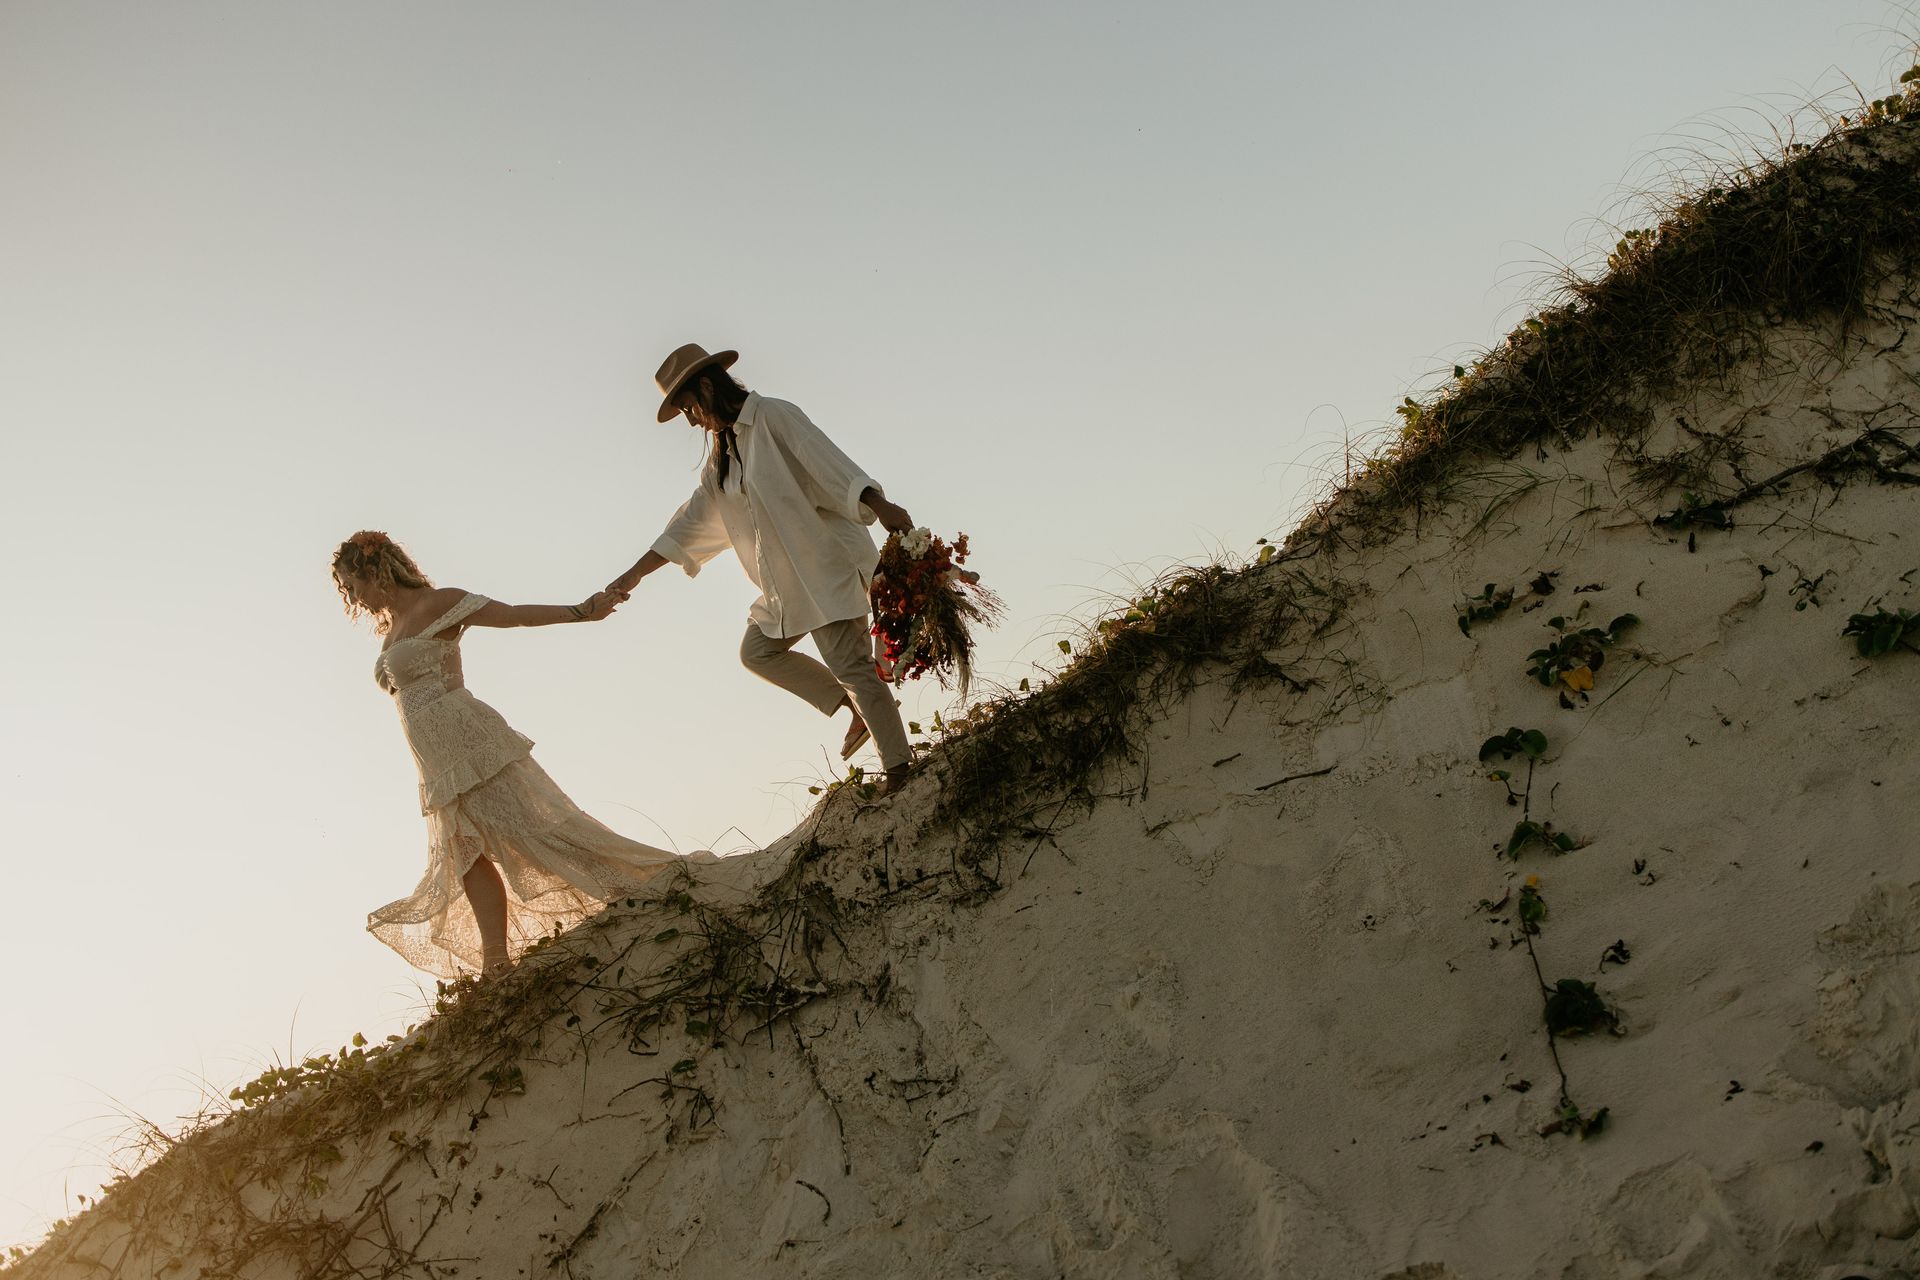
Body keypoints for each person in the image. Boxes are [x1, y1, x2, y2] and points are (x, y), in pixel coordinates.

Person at [332, 530, 685, 977]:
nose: (352, 596)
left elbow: (515, 616)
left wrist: (582, 611)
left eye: (351, 584)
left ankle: (637, 883)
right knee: (464, 853)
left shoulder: (439, 603)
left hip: (469, 739)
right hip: (435, 761)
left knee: (537, 829)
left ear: (374, 569)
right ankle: (495, 960)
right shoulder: (390, 636)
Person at [605, 343, 917, 791]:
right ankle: (853, 712)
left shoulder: (772, 417)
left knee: (852, 668)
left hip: (825, 566)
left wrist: (878, 504)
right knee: (757, 652)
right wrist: (634, 573)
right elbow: (691, 523)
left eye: (690, 407)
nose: (691, 420)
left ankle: (900, 772)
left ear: (708, 387)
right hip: (784, 585)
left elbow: (827, 463)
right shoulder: (721, 458)